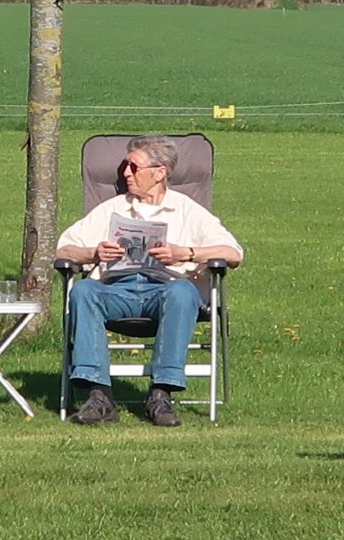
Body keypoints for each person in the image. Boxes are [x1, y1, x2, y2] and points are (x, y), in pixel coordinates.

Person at [54, 141, 242, 426]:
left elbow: (233, 253)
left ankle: (160, 396)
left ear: (159, 172)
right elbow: (64, 251)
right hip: (116, 291)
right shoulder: (112, 209)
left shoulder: (186, 210)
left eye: (133, 167)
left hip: (166, 292)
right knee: (83, 289)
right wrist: (94, 253)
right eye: (125, 167)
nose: (126, 174)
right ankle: (99, 397)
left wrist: (185, 253)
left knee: (182, 291)